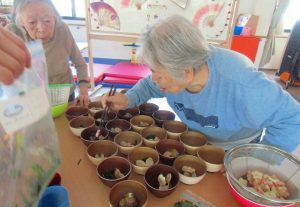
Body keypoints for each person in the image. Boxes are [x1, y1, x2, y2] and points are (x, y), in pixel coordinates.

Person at [101, 15, 300, 153]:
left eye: (157, 74)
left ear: (186, 72)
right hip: (194, 140)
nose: (154, 79)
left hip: (237, 147)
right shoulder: (171, 73)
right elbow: (148, 85)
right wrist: (129, 98)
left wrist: (256, 159)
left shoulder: (241, 82)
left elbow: (292, 119)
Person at [7, 0, 90, 107]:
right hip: (32, 97)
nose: (41, 29)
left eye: (47, 20)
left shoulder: (62, 30)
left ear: (54, 17)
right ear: (21, 22)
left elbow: (80, 63)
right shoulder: (13, 34)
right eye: (32, 22)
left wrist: (83, 91)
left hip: (65, 94)